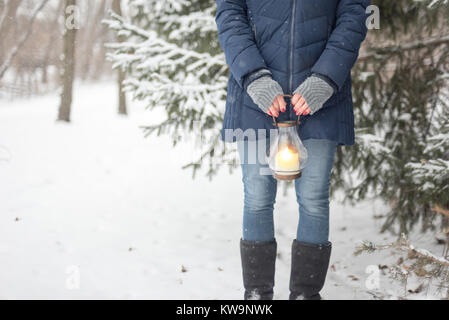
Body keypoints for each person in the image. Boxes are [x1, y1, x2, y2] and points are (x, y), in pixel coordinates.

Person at [216, 0, 370, 300]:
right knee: (257, 197)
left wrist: (325, 79)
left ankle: (305, 295)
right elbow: (229, 14)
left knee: (313, 198)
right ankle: (257, 296)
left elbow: (354, 16)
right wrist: (254, 76)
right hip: (254, 98)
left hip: (322, 99)